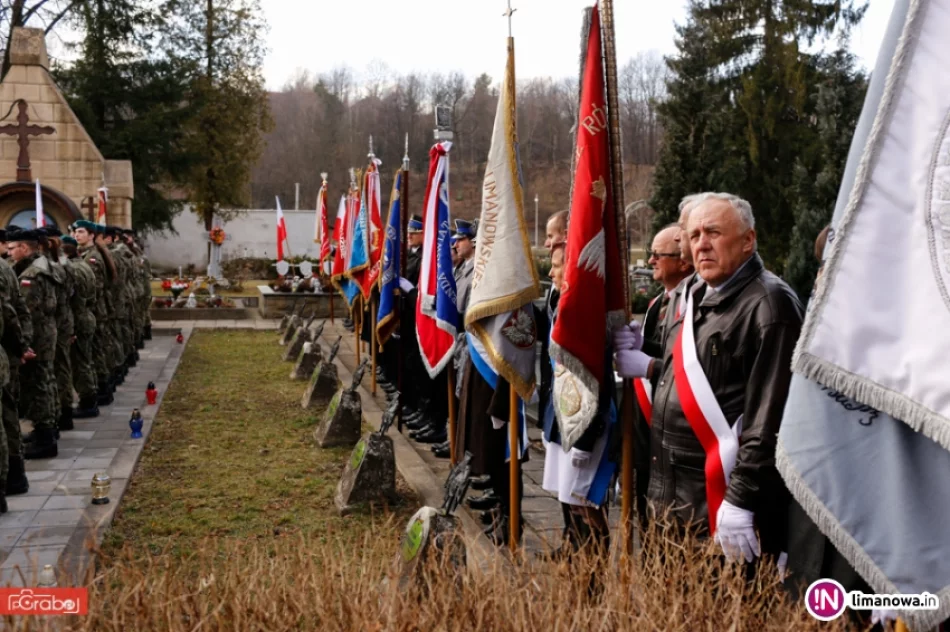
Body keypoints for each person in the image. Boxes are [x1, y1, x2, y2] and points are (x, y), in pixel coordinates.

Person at [615, 193, 803, 568]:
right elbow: (686, 377)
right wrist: (644, 350)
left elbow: (769, 420)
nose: (701, 243)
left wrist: (740, 499)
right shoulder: (694, 294)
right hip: (672, 499)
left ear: (747, 240)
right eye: (695, 234)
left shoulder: (769, 305)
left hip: (719, 507)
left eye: (713, 232)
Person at [541, 241, 616, 556]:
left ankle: (591, 574)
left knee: (585, 506)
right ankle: (576, 563)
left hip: (584, 428)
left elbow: (592, 381)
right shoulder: (563, 307)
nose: (551, 272)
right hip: (563, 421)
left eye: (557, 265)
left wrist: (584, 441)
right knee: (570, 504)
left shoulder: (585, 316)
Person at [632, 224, 694, 527]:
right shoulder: (658, 303)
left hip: (677, 430)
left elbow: (683, 364)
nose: (651, 260)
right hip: (649, 425)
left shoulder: (689, 302)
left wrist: (648, 364)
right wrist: (641, 344)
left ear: (682, 262)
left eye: (659, 255)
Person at [9, 229, 59, 459]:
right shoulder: (42, 265)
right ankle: (45, 430)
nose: (9, 252)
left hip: (37, 337)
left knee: (39, 385)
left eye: (13, 248)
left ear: (24, 248)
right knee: (44, 381)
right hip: (46, 333)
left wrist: (23, 343)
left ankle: (45, 438)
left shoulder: (31, 274)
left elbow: (25, 313)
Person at [433, 219, 477, 460]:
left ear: (473, 242)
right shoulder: (461, 269)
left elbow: (466, 311)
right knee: (456, 396)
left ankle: (459, 444)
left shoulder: (474, 271)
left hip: (465, 340)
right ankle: (454, 440)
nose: (456, 244)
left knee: (464, 398)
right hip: (457, 340)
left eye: (461, 239)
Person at [0, 230, 30, 499]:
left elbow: (9, 314)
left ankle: (11, 475)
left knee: (6, 413)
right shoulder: (8, 269)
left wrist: (20, 346)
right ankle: (14, 473)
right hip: (7, 350)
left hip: (5, 349)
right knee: (8, 411)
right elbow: (18, 310)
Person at [62, 235, 99, 418]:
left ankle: (88, 401)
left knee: (80, 364)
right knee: (85, 360)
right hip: (87, 315)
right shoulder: (83, 265)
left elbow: (73, 300)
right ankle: (90, 397)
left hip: (79, 318)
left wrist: (72, 327)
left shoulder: (73, 269)